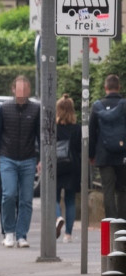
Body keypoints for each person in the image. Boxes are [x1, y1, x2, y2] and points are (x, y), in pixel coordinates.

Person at [0, 75, 40, 248]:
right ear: (13, 90)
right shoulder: (4, 108)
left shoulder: (35, 109)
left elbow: (40, 135)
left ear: (29, 91)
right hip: (7, 157)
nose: (21, 97)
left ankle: (22, 235)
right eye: (19, 93)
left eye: (24, 93)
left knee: (26, 199)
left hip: (28, 158)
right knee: (9, 194)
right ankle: (9, 232)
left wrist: (40, 159)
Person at [90, 74, 126, 220]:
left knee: (108, 190)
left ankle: (111, 224)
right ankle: (123, 224)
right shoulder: (124, 105)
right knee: (123, 190)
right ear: (119, 87)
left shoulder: (98, 107)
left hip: (104, 156)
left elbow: (92, 131)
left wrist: (92, 155)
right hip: (123, 154)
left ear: (105, 88)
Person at [55, 94, 81, 243]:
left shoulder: (54, 128)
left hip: (57, 166)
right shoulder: (77, 129)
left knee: (54, 198)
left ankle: (58, 217)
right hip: (73, 166)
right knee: (70, 200)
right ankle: (68, 235)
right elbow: (79, 149)